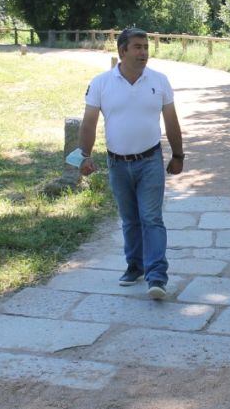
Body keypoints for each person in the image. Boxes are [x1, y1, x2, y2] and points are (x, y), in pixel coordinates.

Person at [79, 28, 185, 300]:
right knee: (129, 219)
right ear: (122, 51)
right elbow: (89, 122)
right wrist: (85, 155)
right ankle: (135, 266)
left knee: (151, 218)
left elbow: (171, 121)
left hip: (149, 160)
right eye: (137, 47)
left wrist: (178, 154)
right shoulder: (101, 83)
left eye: (146, 47)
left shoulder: (159, 81)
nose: (143, 53)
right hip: (116, 163)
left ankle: (157, 276)